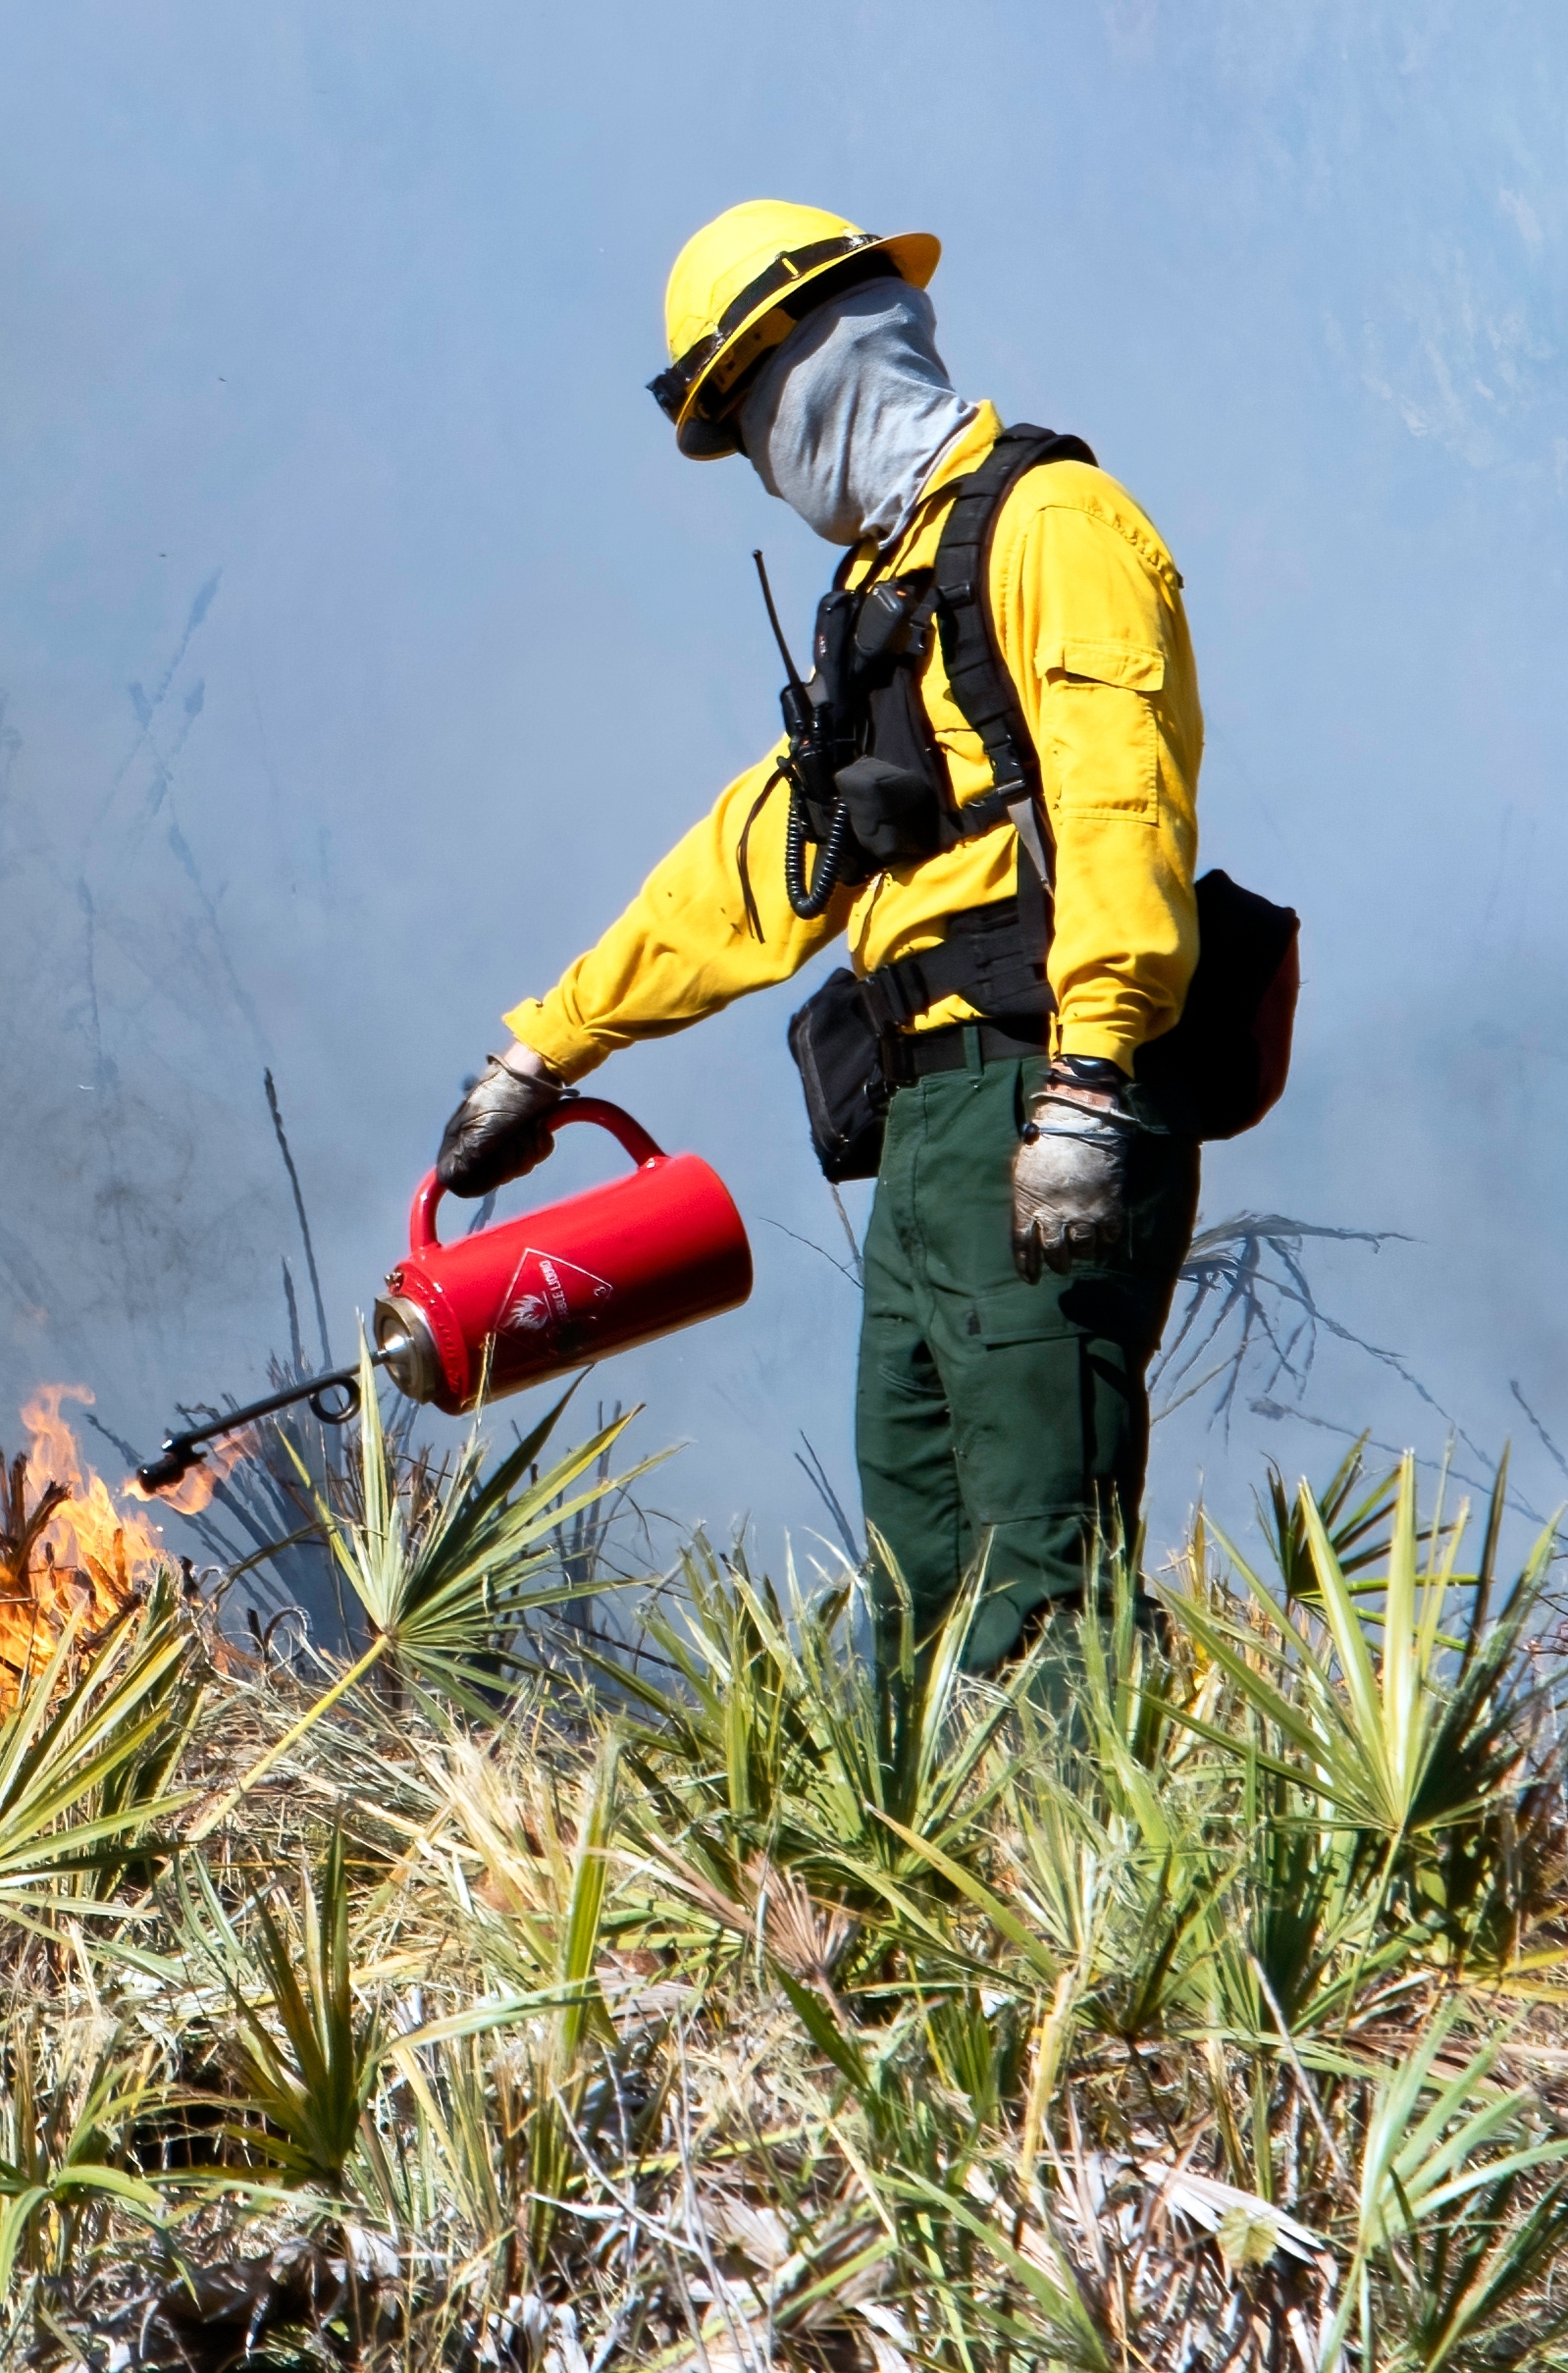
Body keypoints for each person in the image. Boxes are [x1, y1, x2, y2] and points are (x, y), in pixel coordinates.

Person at [435, 199, 1202, 1670]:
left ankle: (1096, 1894)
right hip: (925, 1131)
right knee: (922, 1585)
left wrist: (1091, 1086)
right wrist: (545, 1049)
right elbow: (755, 867)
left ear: (833, 348)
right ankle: (938, 1889)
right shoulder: (882, 603)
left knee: (1044, 1577)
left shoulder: (1052, 524)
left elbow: (1123, 810)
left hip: (1036, 1089)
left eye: (752, 402)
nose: (763, 453)